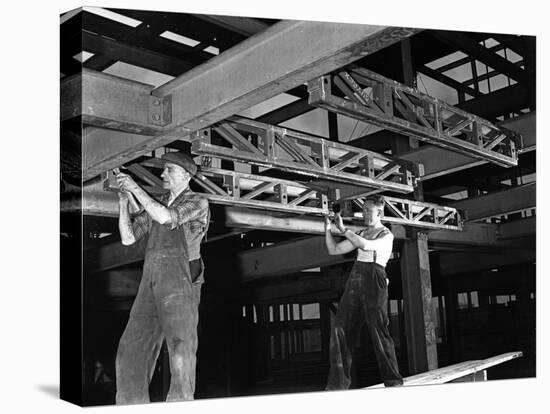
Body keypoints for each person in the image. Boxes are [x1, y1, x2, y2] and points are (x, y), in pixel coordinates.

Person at [114, 151, 210, 404]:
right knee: (130, 349)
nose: (162, 174)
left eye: (169, 170)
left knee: (180, 348)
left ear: (186, 175)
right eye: (164, 169)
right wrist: (124, 202)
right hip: (152, 278)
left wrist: (135, 187)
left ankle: (180, 404)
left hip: (182, 277)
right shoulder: (157, 203)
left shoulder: (198, 201)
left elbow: (167, 218)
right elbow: (128, 238)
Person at [324, 195, 403, 389]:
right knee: (340, 328)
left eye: (369, 210)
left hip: (374, 277)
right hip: (356, 276)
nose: (365, 213)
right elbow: (334, 249)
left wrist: (343, 229)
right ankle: (337, 385)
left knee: (378, 330)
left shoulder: (386, 235)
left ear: (379, 212)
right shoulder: (361, 232)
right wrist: (327, 229)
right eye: (364, 210)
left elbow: (366, 246)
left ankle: (393, 380)